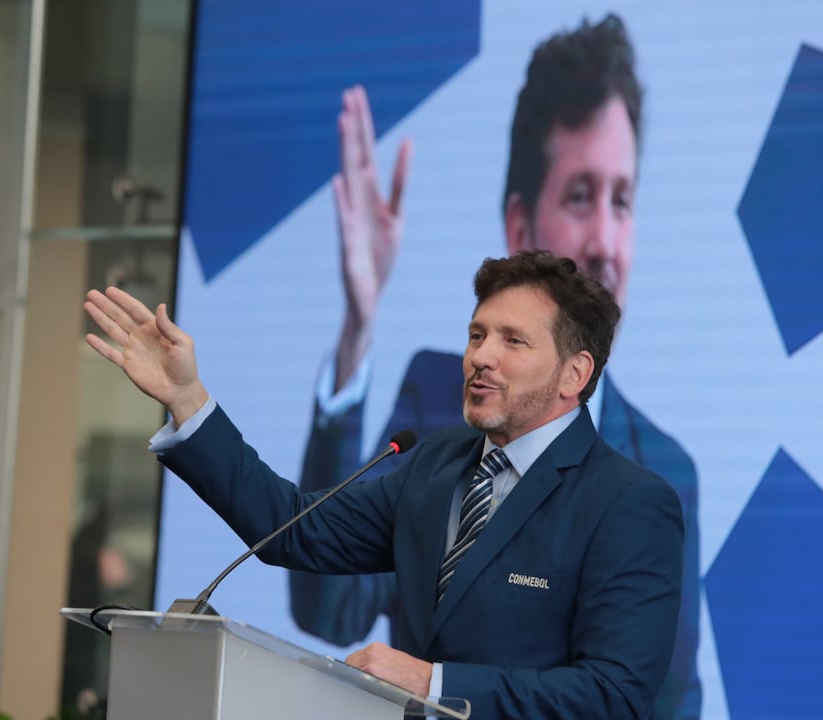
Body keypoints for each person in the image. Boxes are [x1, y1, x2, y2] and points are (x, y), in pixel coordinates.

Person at [296, 14, 702, 718]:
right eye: (580, 196)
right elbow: (330, 606)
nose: (606, 239)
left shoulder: (665, 471)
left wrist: (438, 684)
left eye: (623, 200)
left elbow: (656, 703)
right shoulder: (436, 402)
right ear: (520, 225)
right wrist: (359, 326)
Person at [83, 251, 685, 719]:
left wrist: (435, 685)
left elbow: (614, 695)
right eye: (477, 335)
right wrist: (188, 400)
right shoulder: (440, 460)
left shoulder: (627, 503)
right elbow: (293, 529)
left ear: (574, 374)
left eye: (513, 340)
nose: (481, 357)